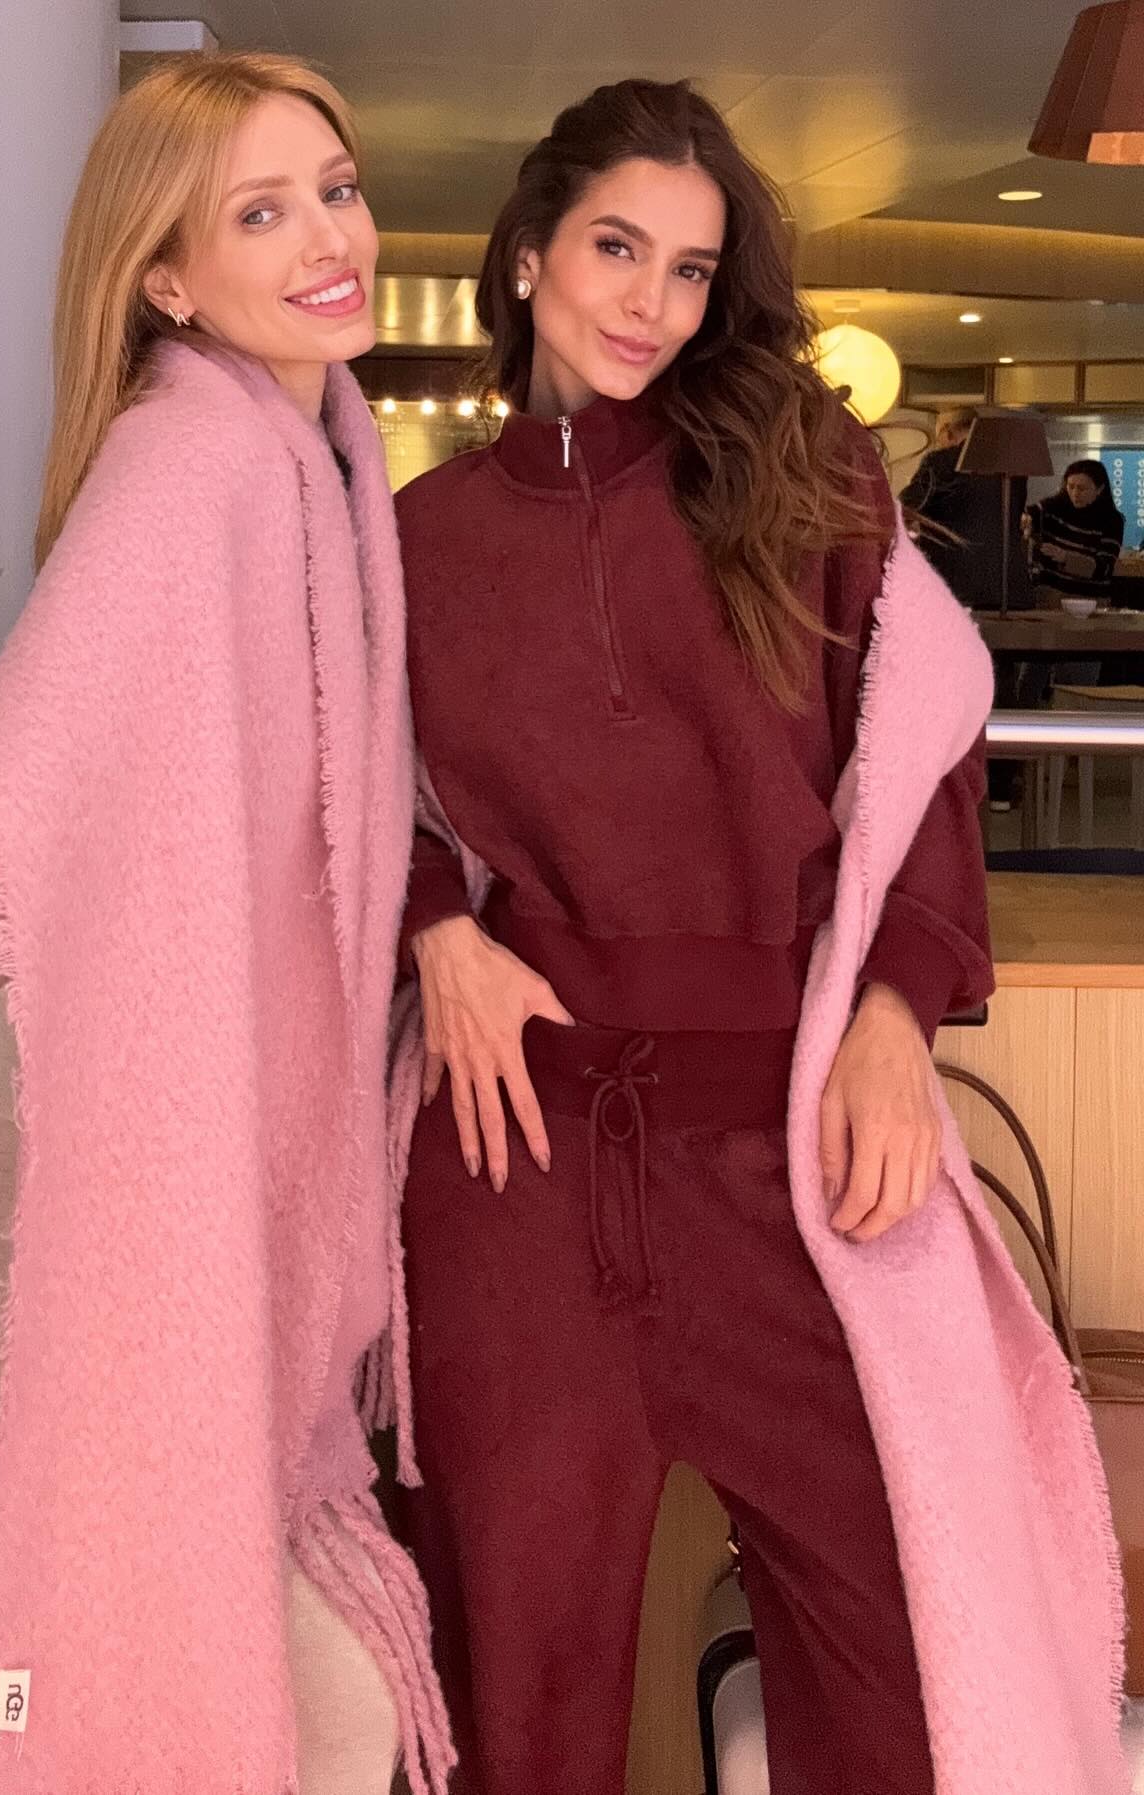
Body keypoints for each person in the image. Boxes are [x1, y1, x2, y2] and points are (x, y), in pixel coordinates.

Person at [0, 54, 451, 1795]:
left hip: (118, 1165)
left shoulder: (317, 468)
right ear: (166, 278)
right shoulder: (187, 472)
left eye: (335, 188)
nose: (330, 238)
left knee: (301, 1695)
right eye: (261, 212)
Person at [385, 80, 1126, 1795]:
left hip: (783, 1147)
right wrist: (435, 927)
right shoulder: (417, 541)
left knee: (907, 1651)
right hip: (512, 1155)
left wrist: (895, 1016)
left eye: (692, 268)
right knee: (515, 1688)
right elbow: (335, 794)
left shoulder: (803, 476)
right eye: (616, 248)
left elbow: (925, 751)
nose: (650, 301)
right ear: (526, 252)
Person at [898, 406, 1002, 612]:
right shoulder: (1009, 466)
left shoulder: (940, 461)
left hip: (952, 581)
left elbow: (907, 505)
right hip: (1004, 585)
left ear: (947, 431)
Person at [1025, 457, 1126, 610]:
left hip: (1089, 601)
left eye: (1082, 488)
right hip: (1049, 598)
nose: (1075, 493)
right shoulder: (1052, 508)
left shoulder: (1111, 521)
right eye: (1070, 486)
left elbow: (1104, 568)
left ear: (1099, 489)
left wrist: (1066, 558)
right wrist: (1026, 521)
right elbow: (1027, 515)